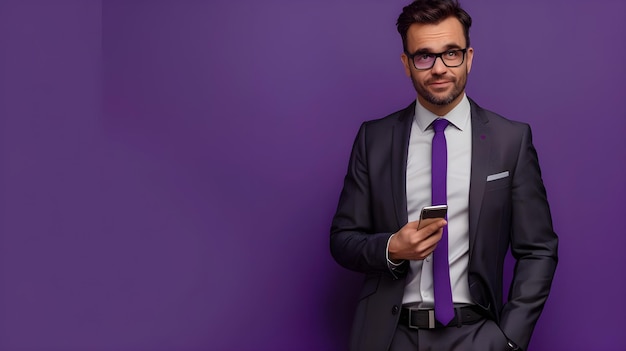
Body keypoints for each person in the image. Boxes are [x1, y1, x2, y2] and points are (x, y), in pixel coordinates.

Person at [329, 0, 558, 350]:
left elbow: (538, 249)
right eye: (424, 56)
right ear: (407, 64)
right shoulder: (373, 139)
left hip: (476, 335)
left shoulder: (510, 140)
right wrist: (392, 248)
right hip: (390, 337)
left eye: (451, 53)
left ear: (469, 57)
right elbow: (343, 239)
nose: (439, 68)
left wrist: (509, 339)